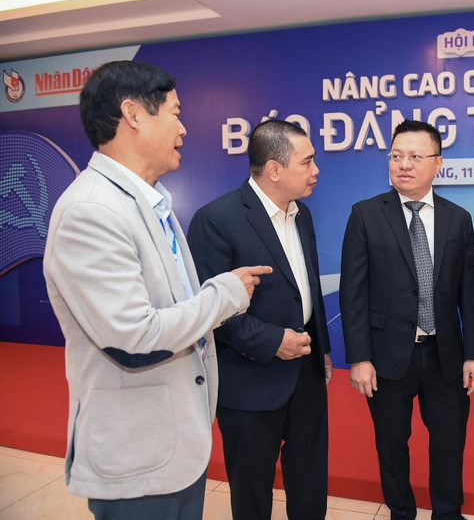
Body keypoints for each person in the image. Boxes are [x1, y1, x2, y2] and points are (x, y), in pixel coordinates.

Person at [42, 60, 271, 520]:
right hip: (137, 457)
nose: (184, 128)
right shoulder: (91, 212)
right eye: (174, 113)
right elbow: (136, 339)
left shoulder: (151, 203)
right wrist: (224, 294)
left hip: (174, 447)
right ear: (133, 114)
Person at [339, 119, 474, 520]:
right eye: (396, 155)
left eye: (415, 156)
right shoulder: (366, 215)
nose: (404, 164)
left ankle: (447, 512)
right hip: (386, 357)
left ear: (438, 163)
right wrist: (359, 357)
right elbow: (352, 293)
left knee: (449, 441)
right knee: (391, 443)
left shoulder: (459, 219)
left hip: (445, 355)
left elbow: (469, 292)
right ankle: (400, 512)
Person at [187, 119, 332, 520]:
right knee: (252, 493)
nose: (316, 170)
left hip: (304, 373)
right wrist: (271, 342)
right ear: (274, 169)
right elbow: (207, 309)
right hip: (248, 381)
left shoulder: (301, 215)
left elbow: (308, 286)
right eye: (307, 162)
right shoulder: (216, 219)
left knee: (310, 480)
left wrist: (321, 348)